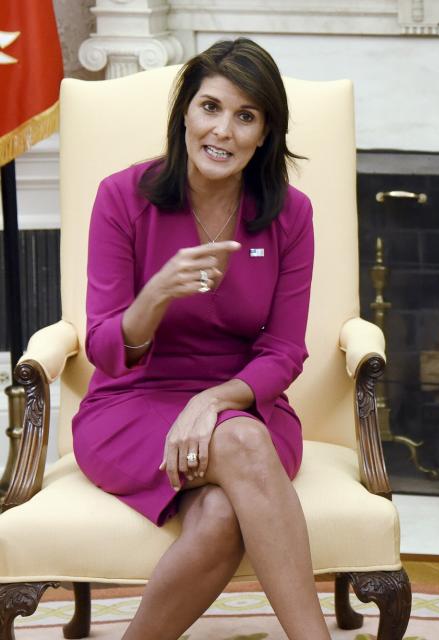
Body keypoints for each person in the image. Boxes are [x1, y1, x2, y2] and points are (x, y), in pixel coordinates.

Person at [71, 38, 332, 640]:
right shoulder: (123, 197)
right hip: (129, 406)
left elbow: (285, 350)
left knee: (218, 516)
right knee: (241, 444)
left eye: (246, 116)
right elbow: (105, 349)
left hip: (244, 403)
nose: (224, 130)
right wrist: (155, 295)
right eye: (210, 107)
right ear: (184, 113)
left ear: (265, 132)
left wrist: (212, 400)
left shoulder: (291, 214)